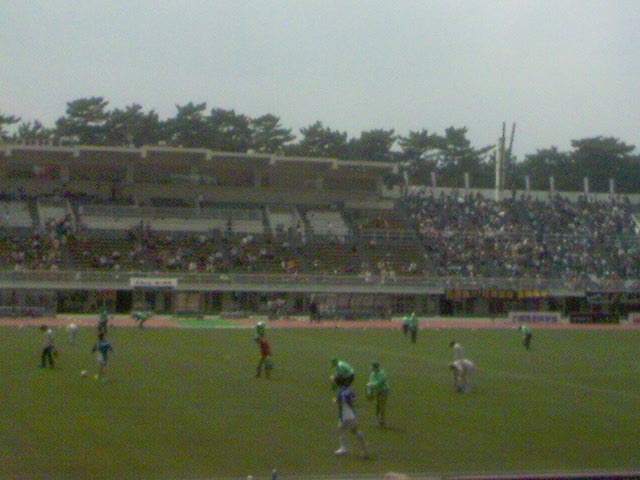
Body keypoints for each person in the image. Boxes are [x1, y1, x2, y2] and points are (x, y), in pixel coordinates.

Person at [334, 384, 369, 458]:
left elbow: (338, 401)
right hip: (351, 414)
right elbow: (354, 398)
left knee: (341, 429)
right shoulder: (348, 390)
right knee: (354, 431)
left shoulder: (340, 391)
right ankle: (364, 446)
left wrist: (334, 401)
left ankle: (344, 448)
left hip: (345, 415)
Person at [366, 361, 390, 427]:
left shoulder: (382, 374)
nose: (372, 369)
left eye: (373, 368)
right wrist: (369, 392)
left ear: (376, 367)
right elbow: (371, 384)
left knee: (382, 405)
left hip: (384, 390)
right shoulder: (372, 374)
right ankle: (378, 419)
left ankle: (382, 420)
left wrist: (371, 385)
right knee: (378, 405)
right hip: (378, 391)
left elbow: (379, 383)